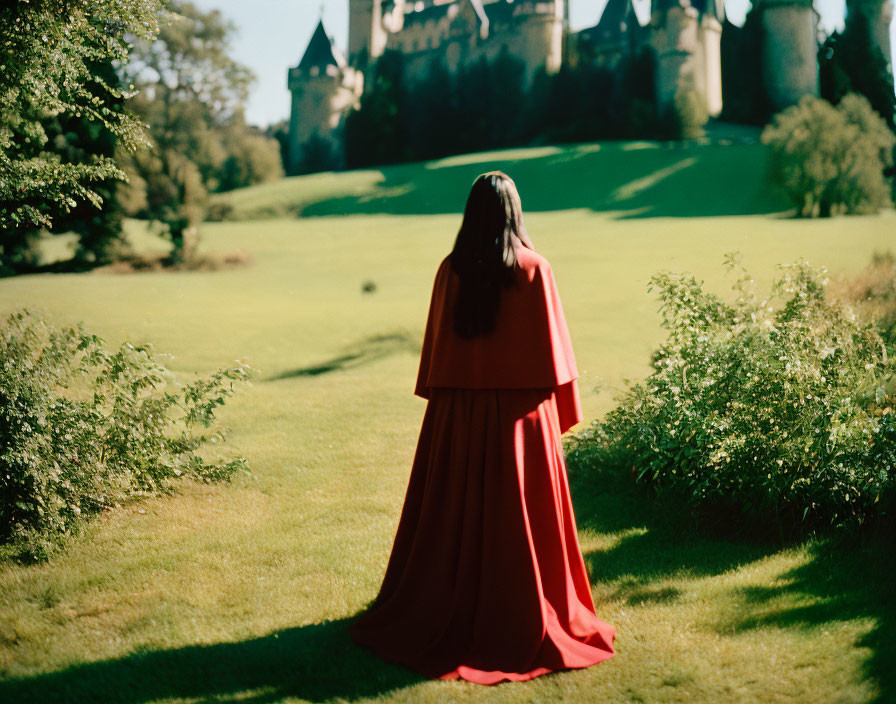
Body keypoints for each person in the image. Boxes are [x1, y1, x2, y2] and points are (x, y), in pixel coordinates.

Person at [348, 171, 616, 685]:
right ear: (517, 212)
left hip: (459, 420)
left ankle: (446, 604)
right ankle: (523, 610)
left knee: (452, 516)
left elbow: (436, 357)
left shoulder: (450, 271)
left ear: (471, 213)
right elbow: (555, 359)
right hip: (523, 425)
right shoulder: (535, 270)